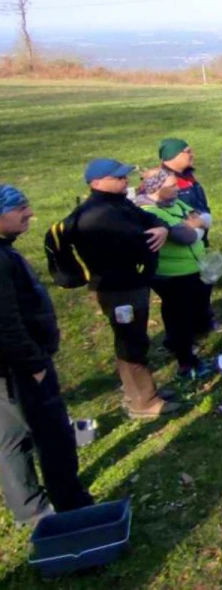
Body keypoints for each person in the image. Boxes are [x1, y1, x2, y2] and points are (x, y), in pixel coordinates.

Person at [0, 185, 94, 524]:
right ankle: (71, 504)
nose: (29, 213)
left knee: (10, 438)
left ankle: (30, 509)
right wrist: (35, 364)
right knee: (53, 435)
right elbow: (6, 323)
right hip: (20, 367)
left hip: (9, 368)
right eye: (19, 208)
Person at [69, 159, 179, 418]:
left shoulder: (118, 203)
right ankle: (143, 402)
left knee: (136, 338)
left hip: (133, 284)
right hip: (118, 289)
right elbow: (138, 239)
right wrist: (154, 233)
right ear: (97, 183)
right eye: (118, 178)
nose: (125, 181)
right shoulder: (98, 215)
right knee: (130, 342)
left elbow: (148, 218)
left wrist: (162, 227)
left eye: (124, 177)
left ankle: (144, 391)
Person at [134, 168, 214, 379]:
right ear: (156, 188)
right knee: (180, 319)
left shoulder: (174, 203)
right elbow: (186, 236)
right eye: (171, 186)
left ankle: (186, 349)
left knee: (190, 314)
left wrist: (196, 225)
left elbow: (204, 216)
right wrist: (196, 227)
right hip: (172, 275)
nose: (177, 188)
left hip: (192, 268)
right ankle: (186, 362)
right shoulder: (151, 211)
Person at [159, 138, 208, 218]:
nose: (192, 155)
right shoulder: (161, 182)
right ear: (173, 155)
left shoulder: (188, 176)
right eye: (188, 152)